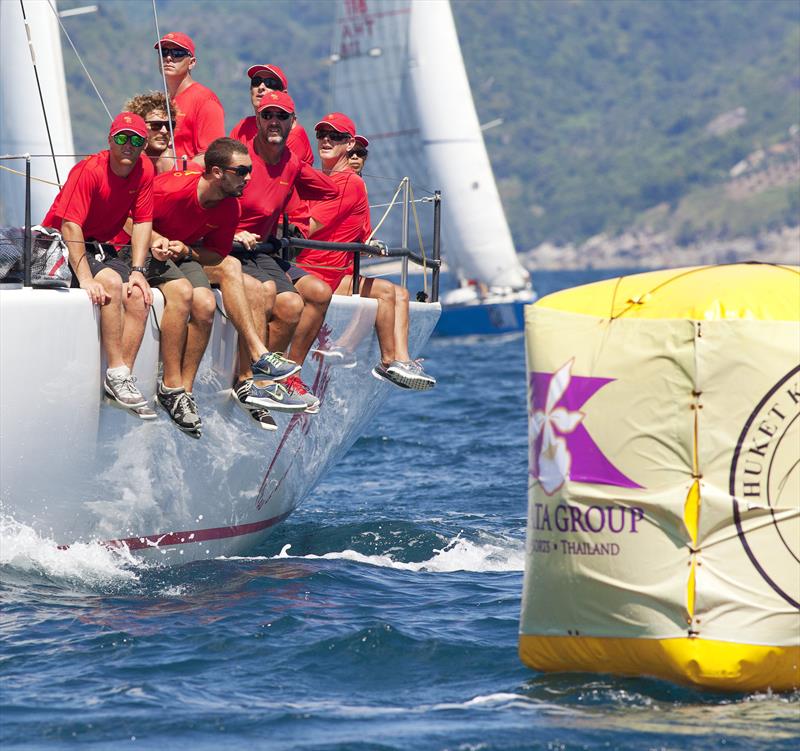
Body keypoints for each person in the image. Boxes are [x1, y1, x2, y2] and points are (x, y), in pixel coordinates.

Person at [140, 137, 305, 429]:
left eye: (249, 170)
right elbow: (130, 216)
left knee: (235, 277)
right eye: (241, 171)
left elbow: (216, 253)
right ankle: (257, 357)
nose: (249, 177)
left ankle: (202, 389)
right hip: (141, 250)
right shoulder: (170, 189)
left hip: (182, 254)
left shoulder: (230, 207)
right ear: (217, 172)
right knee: (208, 291)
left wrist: (187, 250)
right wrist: (155, 240)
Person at [297, 113, 436, 391]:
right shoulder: (332, 181)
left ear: (348, 146)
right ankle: (389, 361)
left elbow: (313, 227)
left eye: (334, 136)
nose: (326, 140)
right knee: (389, 292)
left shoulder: (346, 182)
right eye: (322, 135)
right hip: (322, 272)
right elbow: (308, 228)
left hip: (332, 269)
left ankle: (396, 359)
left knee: (399, 293)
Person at [232, 90, 339, 416]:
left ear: (293, 123)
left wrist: (301, 220)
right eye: (268, 116)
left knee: (306, 296)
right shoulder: (241, 158)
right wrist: (233, 231)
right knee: (274, 296)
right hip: (229, 247)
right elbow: (204, 179)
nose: (274, 122)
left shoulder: (292, 164)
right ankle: (247, 380)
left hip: (263, 251)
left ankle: (278, 379)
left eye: (282, 117)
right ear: (258, 121)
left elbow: (330, 190)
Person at [41, 112, 155, 416]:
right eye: (121, 138)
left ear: (144, 145)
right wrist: (86, 278)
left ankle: (120, 379)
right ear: (110, 140)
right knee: (112, 284)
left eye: (136, 140)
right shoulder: (89, 170)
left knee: (140, 297)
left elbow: (143, 222)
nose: (128, 145)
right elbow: (69, 227)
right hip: (63, 242)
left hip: (102, 247)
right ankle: (117, 371)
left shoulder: (144, 169)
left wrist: (139, 271)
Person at [154, 32, 224, 168]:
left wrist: (176, 169)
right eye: (164, 52)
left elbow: (213, 156)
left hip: (188, 185)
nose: (168, 57)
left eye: (178, 53)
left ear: (191, 63)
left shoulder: (205, 100)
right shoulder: (161, 101)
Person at [125, 91, 177, 174]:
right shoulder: (123, 168)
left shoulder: (184, 169)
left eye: (169, 125)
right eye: (156, 125)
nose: (164, 131)